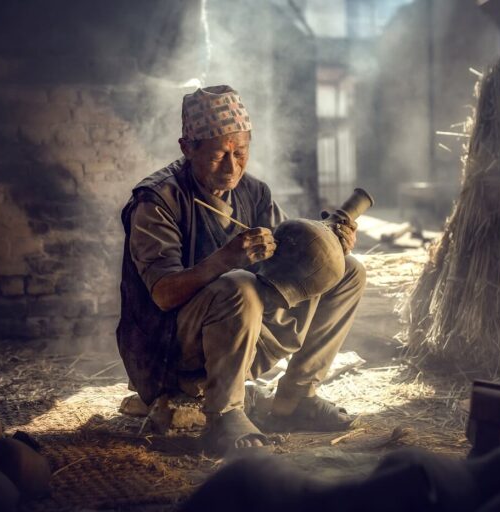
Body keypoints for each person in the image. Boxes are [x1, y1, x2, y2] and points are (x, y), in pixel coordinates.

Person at [117, 85, 367, 455]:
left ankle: (295, 398)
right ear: (188, 148)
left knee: (347, 271)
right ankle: (224, 414)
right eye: (220, 155)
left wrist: (330, 244)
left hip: (241, 335)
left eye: (241, 152)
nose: (232, 166)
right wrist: (225, 259)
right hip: (170, 347)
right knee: (239, 284)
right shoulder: (157, 201)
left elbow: (289, 258)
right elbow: (163, 293)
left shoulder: (254, 193)